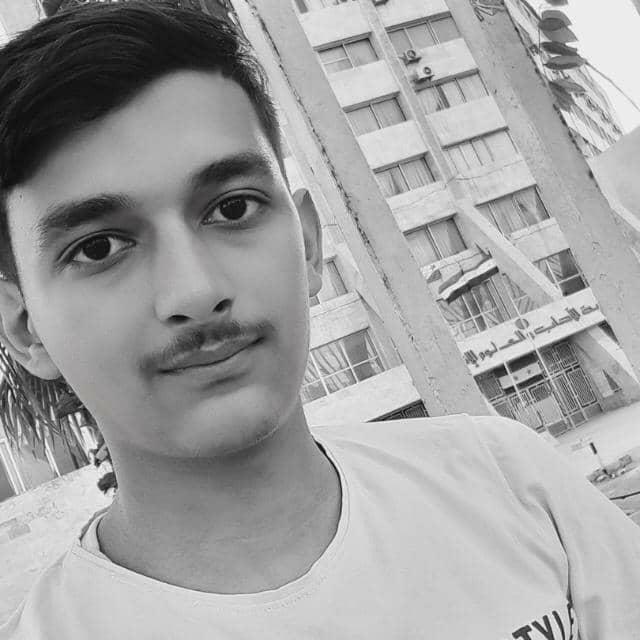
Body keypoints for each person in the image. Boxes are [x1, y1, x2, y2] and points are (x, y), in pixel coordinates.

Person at [0, 3, 638, 638]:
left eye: (232, 209)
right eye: (98, 248)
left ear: (308, 244)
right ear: (25, 328)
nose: (195, 291)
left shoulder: (506, 481)